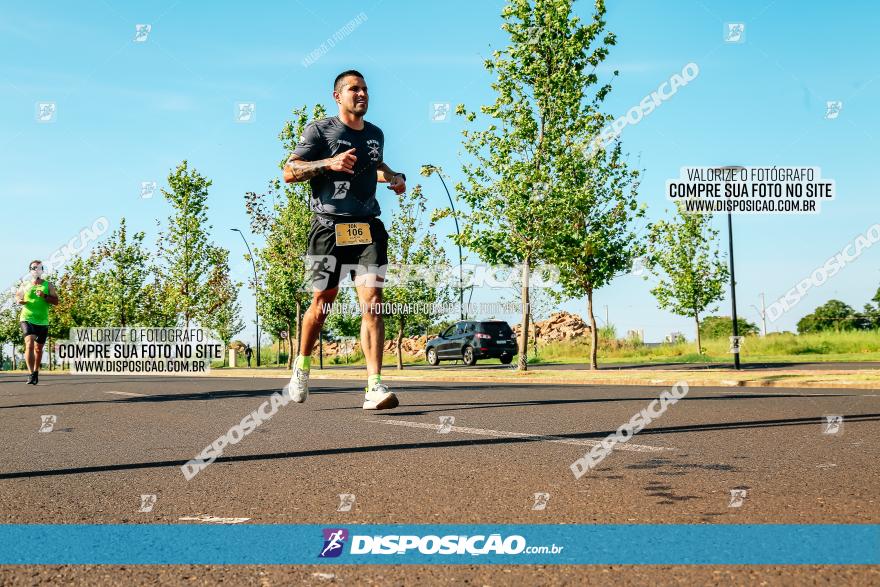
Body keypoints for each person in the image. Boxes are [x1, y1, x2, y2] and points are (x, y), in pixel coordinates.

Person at [282, 69, 406, 410]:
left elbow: (375, 165)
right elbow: (289, 172)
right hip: (328, 227)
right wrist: (329, 163)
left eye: (365, 88)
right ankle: (302, 368)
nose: (362, 94)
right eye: (354, 89)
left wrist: (393, 176)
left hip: (367, 226)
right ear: (338, 96)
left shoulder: (376, 134)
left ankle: (373, 386)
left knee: (373, 302)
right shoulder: (319, 130)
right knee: (322, 302)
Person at [15, 260, 58, 385]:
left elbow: (56, 301)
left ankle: (35, 371)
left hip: (43, 321)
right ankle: (30, 373)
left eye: (38, 267)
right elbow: (18, 296)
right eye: (33, 268)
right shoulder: (25, 285)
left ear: (42, 269)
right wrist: (19, 300)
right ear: (30, 270)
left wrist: (44, 296)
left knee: (38, 349)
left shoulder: (48, 285)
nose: (36, 270)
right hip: (27, 318)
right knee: (29, 343)